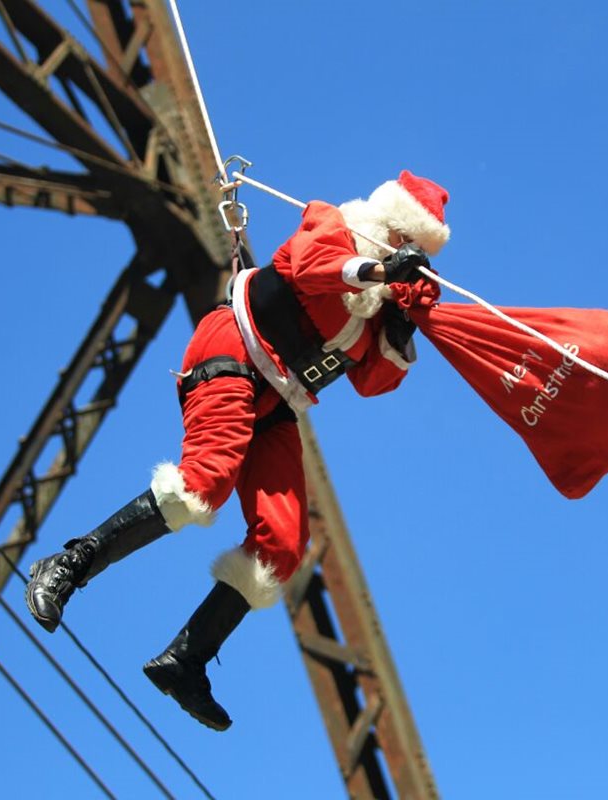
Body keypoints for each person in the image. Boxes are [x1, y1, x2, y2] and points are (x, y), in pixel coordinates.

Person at [25, 171, 451, 731]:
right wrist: (376, 272)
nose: (404, 251)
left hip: (277, 403)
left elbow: (372, 382)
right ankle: (68, 564)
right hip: (234, 352)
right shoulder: (333, 224)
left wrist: (402, 321)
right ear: (386, 224)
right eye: (402, 239)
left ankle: (187, 659)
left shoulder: (371, 312)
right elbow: (311, 264)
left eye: (412, 249)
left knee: (283, 541)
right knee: (202, 485)